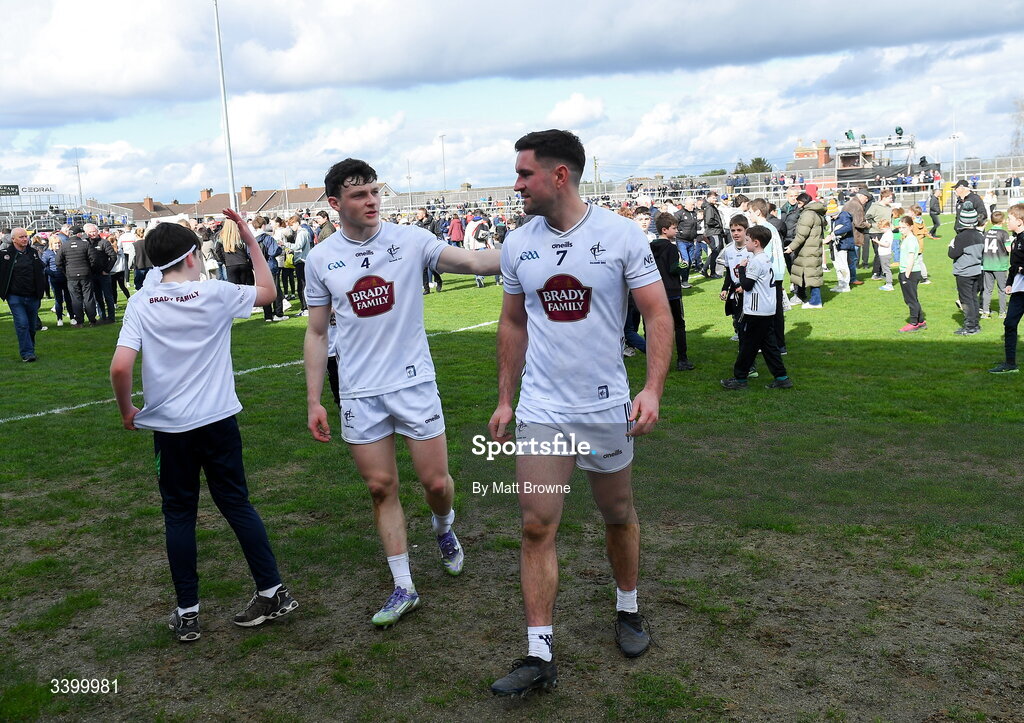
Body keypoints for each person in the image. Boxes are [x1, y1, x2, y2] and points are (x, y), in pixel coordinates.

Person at [488, 129, 672, 697]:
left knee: (618, 514)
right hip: (544, 410)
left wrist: (653, 389)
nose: (516, 184)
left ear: (559, 175)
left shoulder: (620, 237)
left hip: (605, 409)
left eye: (524, 174)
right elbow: (513, 323)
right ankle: (539, 652)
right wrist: (505, 397)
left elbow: (658, 314)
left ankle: (628, 608)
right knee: (536, 525)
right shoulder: (519, 244)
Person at [302, 158, 500, 629]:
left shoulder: (411, 241)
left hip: (413, 384)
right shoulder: (321, 259)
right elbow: (315, 333)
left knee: (435, 483)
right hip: (359, 392)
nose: (371, 201)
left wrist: (534, 245)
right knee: (380, 487)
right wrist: (314, 399)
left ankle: (443, 527)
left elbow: (471, 261)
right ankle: (403, 586)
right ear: (335, 204)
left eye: (373, 192)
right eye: (358, 195)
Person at [109, 211, 298, 643]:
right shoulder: (212, 292)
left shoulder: (142, 301)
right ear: (193, 256)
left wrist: (126, 410)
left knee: (179, 515)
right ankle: (271, 590)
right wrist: (250, 238)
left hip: (171, 429)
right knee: (236, 504)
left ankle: (188, 612)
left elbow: (121, 368)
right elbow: (269, 292)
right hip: (217, 421)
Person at [720, 225, 792, 390]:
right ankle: (782, 377)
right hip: (766, 309)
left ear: (756, 243)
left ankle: (740, 379)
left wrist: (742, 269)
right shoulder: (766, 259)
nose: (745, 243)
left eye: (747, 240)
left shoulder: (756, 262)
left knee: (747, 346)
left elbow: (747, 285)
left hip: (756, 311)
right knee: (768, 346)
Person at [651, 213, 694, 370]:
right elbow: (673, 269)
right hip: (672, 292)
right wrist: (683, 265)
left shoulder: (650, 247)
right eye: (674, 228)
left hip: (655, 291)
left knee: (657, 327)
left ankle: (658, 360)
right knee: (679, 325)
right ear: (664, 229)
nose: (677, 231)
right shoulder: (671, 247)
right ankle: (682, 359)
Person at [0, 228, 46, 361]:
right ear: (13, 239)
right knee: (22, 324)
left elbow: (40, 270)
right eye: (21, 237)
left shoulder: (33, 253)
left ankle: (30, 348)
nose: (25, 239)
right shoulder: (5, 255)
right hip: (15, 296)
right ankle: (27, 353)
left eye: (26, 236)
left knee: (32, 326)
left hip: (32, 295)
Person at [989, 204, 1024, 373]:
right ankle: (1010, 364)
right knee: (1009, 323)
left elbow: (1020, 266)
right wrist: (1010, 282)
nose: (1007, 221)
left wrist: (1021, 270)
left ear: (1019, 221)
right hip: (1019, 290)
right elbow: (1014, 265)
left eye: (1009, 219)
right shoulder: (1015, 238)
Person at [948, 202, 985, 336]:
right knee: (973, 298)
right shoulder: (980, 235)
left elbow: (952, 254)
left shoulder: (961, 237)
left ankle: (970, 327)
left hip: (964, 272)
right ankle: (975, 324)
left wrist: (951, 245)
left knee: (966, 300)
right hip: (977, 270)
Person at [785, 193, 826, 309]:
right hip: (812, 248)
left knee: (812, 275)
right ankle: (809, 298)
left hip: (808, 249)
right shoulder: (815, 212)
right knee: (812, 274)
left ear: (803, 202)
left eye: (799, 203)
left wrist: (791, 247)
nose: (798, 205)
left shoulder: (808, 214)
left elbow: (801, 235)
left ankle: (815, 302)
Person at [55, 226, 100, 326]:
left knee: (75, 299)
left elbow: (58, 262)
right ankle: (92, 320)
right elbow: (94, 259)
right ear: (79, 234)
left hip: (71, 275)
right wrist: (89, 269)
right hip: (85, 274)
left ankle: (79, 321)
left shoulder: (64, 246)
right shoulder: (85, 244)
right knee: (88, 298)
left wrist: (66, 271)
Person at [897, 215, 926, 332]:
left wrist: (906, 274)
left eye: (903, 227)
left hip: (910, 272)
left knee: (910, 300)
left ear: (910, 227)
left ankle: (914, 323)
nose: (901, 230)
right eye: (900, 227)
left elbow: (911, 258)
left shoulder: (911, 240)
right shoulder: (906, 239)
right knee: (912, 298)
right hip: (907, 271)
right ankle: (921, 321)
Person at [980, 211, 1010, 320]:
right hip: (1000, 265)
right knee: (1002, 289)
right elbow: (1008, 249)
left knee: (987, 289)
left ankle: (985, 312)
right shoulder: (1004, 233)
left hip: (987, 264)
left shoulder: (986, 232)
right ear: (1002, 221)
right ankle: (1002, 312)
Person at [85, 224, 117, 323]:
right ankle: (102, 316)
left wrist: (107, 270)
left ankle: (111, 317)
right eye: (90, 232)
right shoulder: (86, 243)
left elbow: (113, 256)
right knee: (97, 297)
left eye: (94, 231)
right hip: (92, 275)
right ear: (86, 233)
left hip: (104, 274)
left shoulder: (104, 243)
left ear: (97, 231)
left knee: (108, 296)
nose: (92, 233)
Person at [41, 235, 73, 327]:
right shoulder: (47, 253)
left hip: (66, 278)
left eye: (59, 243)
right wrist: (51, 273)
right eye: (56, 243)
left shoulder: (64, 252)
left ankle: (72, 317)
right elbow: (43, 266)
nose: (58, 245)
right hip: (55, 279)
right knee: (58, 300)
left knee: (68, 299)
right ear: (51, 244)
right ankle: (59, 318)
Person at [876, 218, 894, 291]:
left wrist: (878, 242)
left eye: (882, 229)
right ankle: (888, 281)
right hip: (883, 254)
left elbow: (887, 245)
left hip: (885, 254)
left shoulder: (888, 234)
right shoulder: (886, 233)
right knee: (885, 269)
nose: (881, 230)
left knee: (886, 269)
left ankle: (889, 284)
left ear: (886, 227)